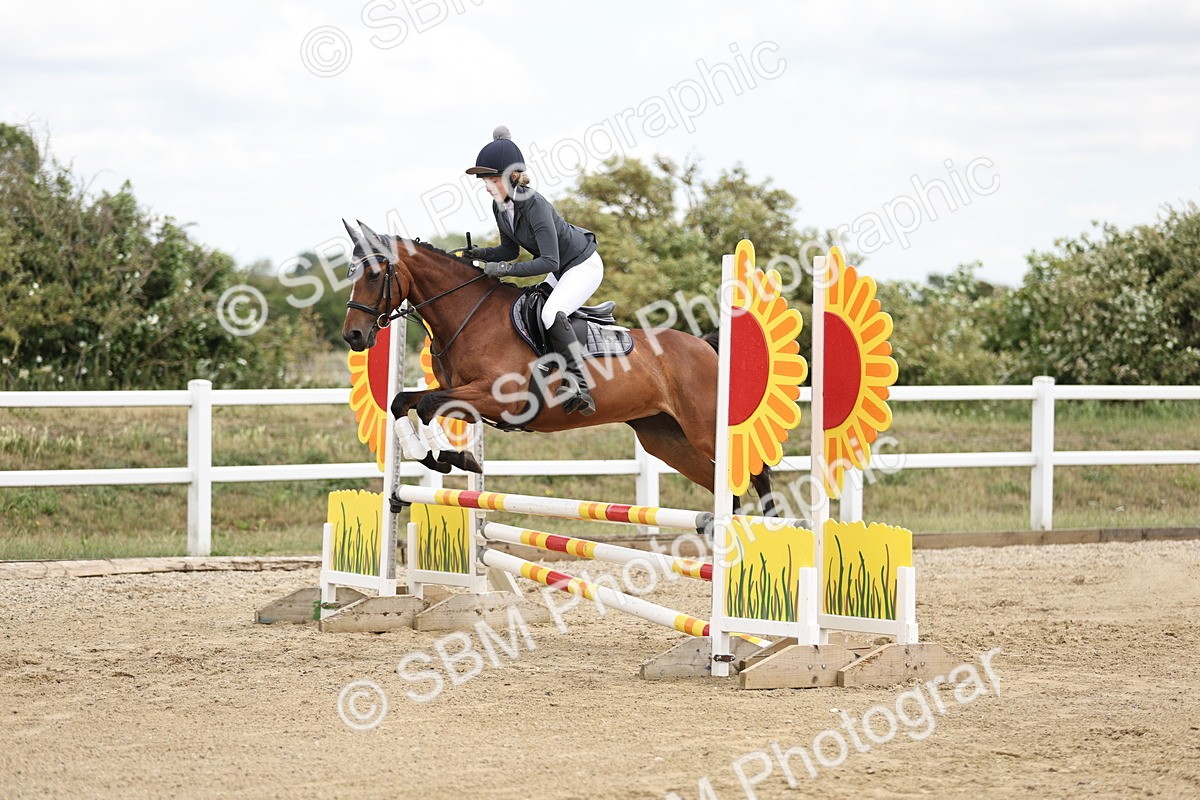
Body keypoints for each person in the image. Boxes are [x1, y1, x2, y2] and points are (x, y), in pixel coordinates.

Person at [460, 126, 602, 416]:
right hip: (563, 268)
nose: (487, 185)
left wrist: (504, 270)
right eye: (485, 180)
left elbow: (549, 261)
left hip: (582, 265)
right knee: (531, 308)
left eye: (492, 179)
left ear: (512, 177)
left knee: (551, 313)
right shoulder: (500, 206)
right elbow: (510, 250)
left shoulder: (534, 205)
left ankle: (579, 383)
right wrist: (481, 254)